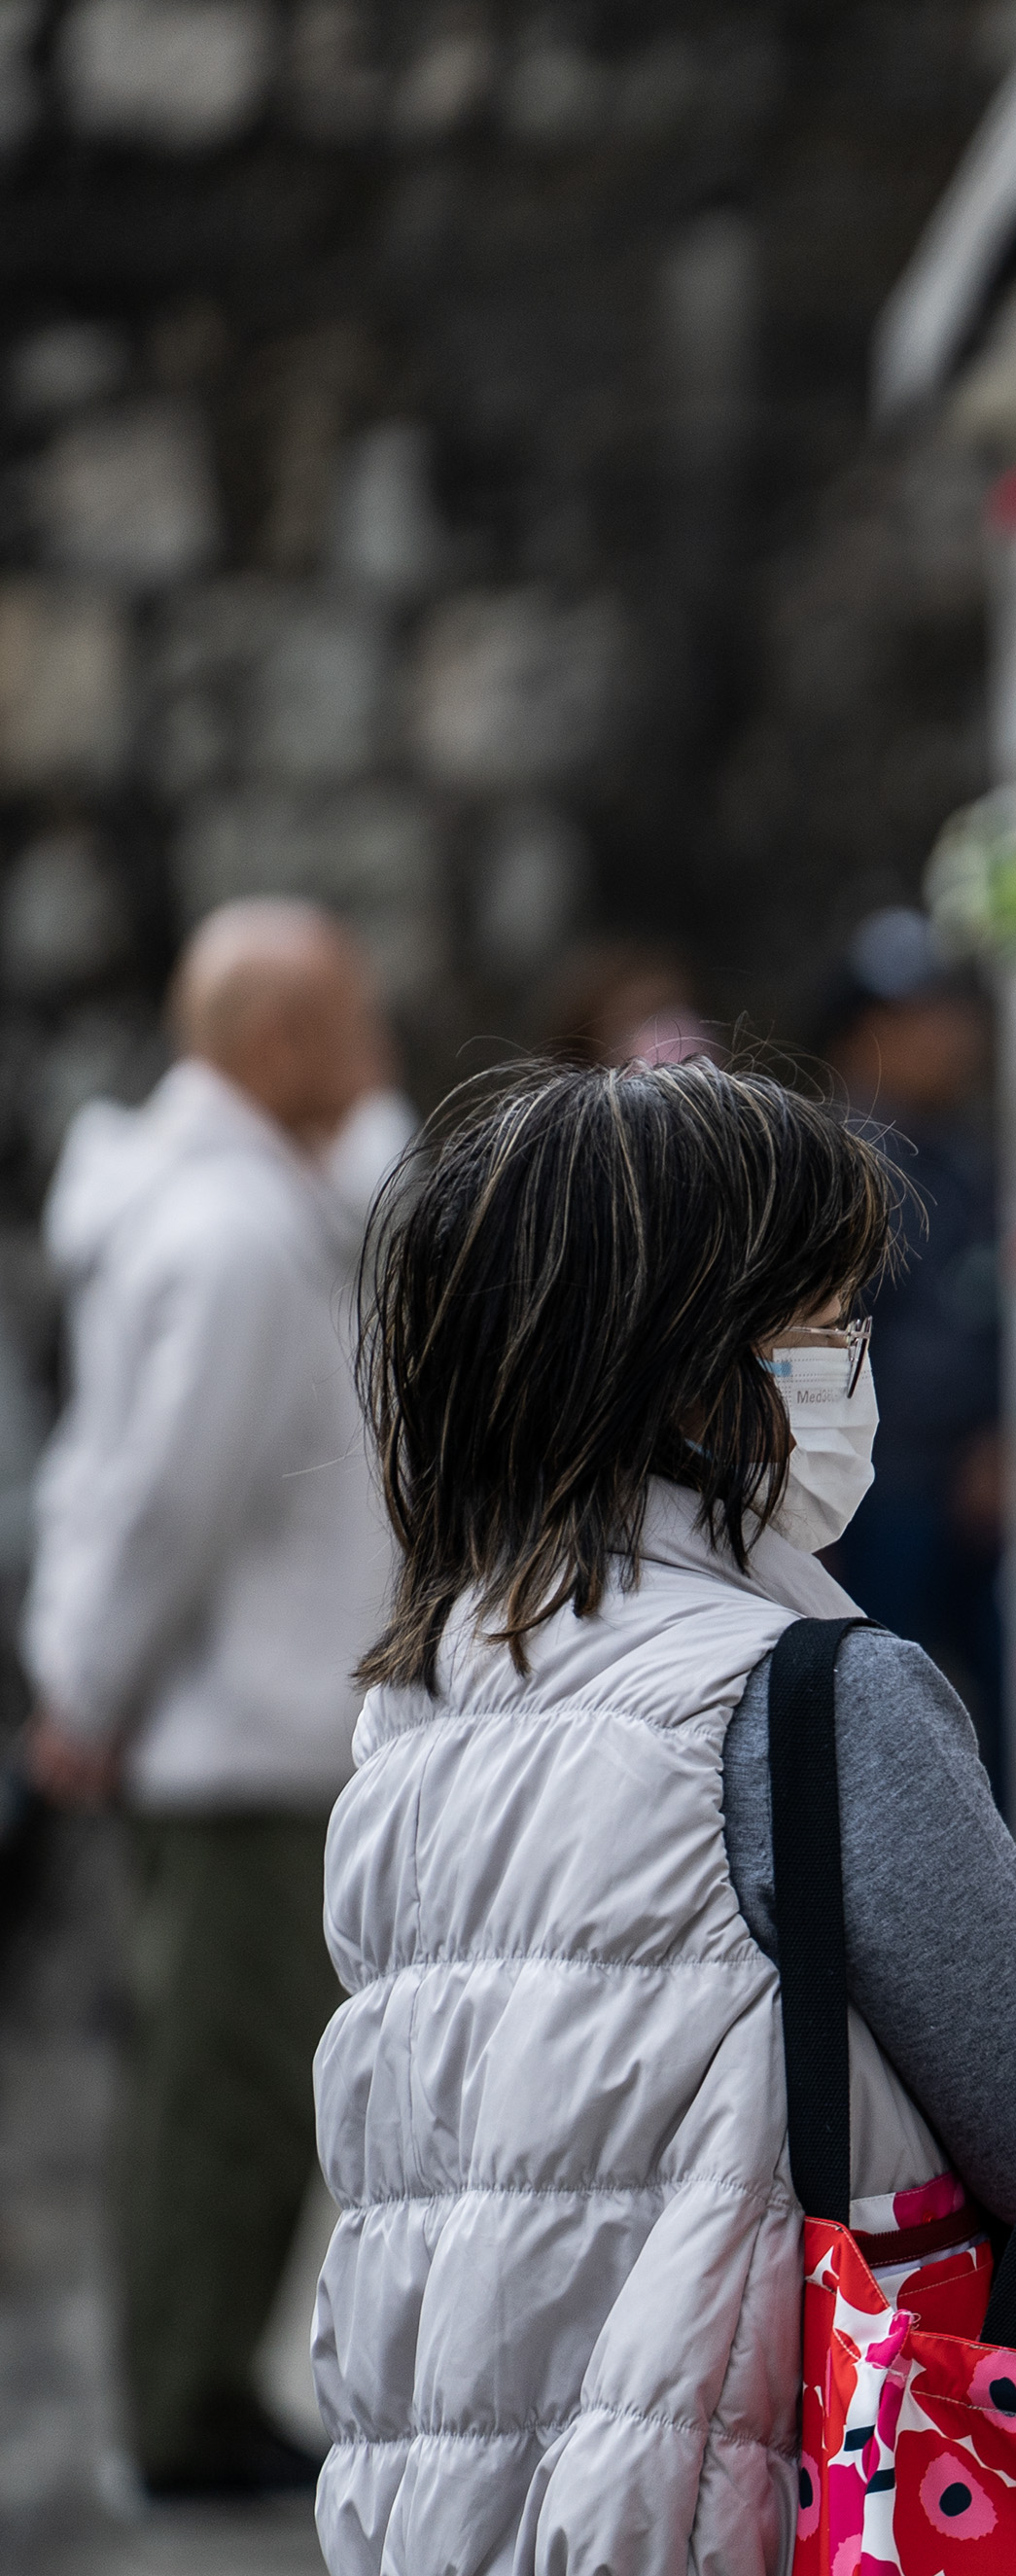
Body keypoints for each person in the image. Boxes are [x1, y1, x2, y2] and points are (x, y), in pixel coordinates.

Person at [313, 1057, 1016, 2574]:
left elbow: (641, 2095)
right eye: (822, 1319)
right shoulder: (809, 1691)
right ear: (688, 1362)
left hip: (457, 2517)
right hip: (730, 2506)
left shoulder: (421, 1698)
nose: (856, 1359)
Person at [20, 897, 398, 2498]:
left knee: (229, 2079)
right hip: (235, 1738)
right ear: (275, 1042)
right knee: (226, 2090)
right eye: (346, 1015)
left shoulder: (246, 1202)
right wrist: (83, 1685)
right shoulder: (233, 1232)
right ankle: (184, 2408)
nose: (374, 1045)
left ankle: (195, 2389)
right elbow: (162, 1499)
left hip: (252, 1725)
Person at [815, 909, 1012, 1811]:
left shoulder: (960, 1157)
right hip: (882, 1496)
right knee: (891, 1723)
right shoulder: (836, 1165)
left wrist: (997, 1435)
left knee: (1003, 1725)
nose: (950, 1032)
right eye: (922, 1013)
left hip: (974, 1490)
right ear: (871, 1029)